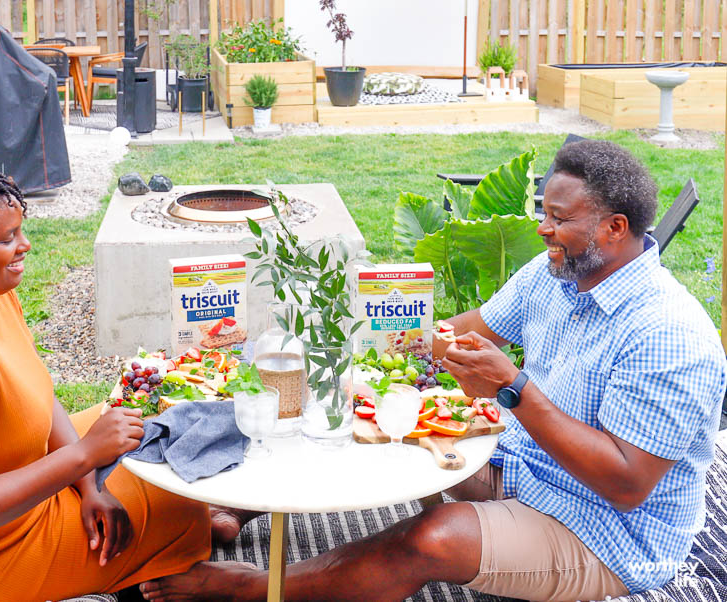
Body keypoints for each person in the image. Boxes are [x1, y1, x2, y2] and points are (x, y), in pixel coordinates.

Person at [138, 140, 727, 602]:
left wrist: (514, 390)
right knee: (370, 409)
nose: (543, 229)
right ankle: (240, 507)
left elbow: (626, 485)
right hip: (516, 468)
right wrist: (380, 330)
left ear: (614, 228)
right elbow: (456, 332)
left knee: (430, 538)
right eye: (542, 213)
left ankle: (252, 588)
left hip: (605, 530)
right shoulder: (558, 273)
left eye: (558, 219)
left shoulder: (669, 336)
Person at [0, 166, 211, 601]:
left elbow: (38, 396)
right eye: (7, 239)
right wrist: (84, 456)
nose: (24, 245)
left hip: (11, 498)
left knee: (157, 427)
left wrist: (90, 483)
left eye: (20, 231)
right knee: (177, 502)